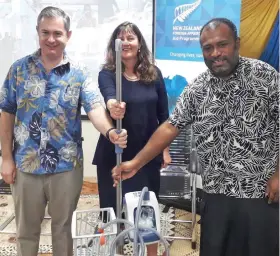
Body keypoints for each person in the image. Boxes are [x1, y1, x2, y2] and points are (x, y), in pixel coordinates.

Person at [112, 18, 279, 256]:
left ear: (237, 44)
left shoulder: (265, 76)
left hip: (259, 192)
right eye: (208, 48)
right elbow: (171, 126)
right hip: (215, 192)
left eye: (223, 44)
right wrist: (136, 163)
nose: (216, 53)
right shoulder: (198, 88)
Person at [0, 6, 127, 256]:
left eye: (57, 33)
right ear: (37, 32)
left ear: (68, 35)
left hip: (66, 168)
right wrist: (6, 157)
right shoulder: (18, 69)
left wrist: (110, 132)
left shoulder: (78, 72)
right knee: (26, 231)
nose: (51, 39)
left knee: (63, 228)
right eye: (45, 32)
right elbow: (6, 113)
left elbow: (94, 108)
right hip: (26, 165)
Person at [92, 21, 171, 255]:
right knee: (113, 209)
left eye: (130, 37)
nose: (125, 42)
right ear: (114, 45)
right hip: (114, 153)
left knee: (147, 210)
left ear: (139, 44)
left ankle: (150, 251)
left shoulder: (154, 75)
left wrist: (164, 149)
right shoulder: (107, 74)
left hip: (146, 154)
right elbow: (108, 95)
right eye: (121, 38)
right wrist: (113, 105)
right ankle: (115, 250)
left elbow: (164, 116)